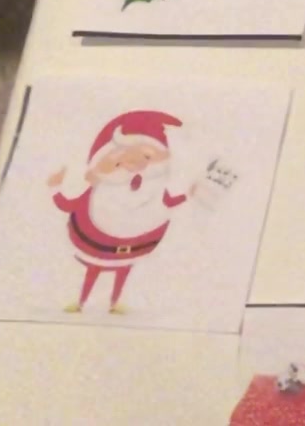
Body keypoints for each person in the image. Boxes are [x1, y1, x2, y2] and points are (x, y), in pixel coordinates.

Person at [47, 111, 195, 314]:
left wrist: (188, 195)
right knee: (93, 270)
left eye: (147, 156)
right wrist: (55, 188)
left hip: (134, 246)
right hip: (96, 243)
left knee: (123, 271)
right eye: (118, 161)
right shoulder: (98, 194)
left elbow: (169, 202)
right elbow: (67, 204)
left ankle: (114, 303)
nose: (133, 163)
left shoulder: (154, 191)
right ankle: (81, 302)